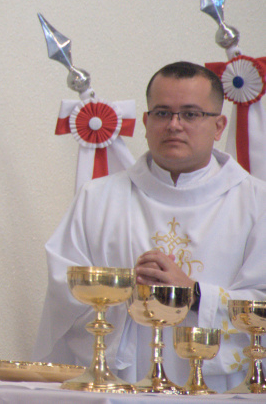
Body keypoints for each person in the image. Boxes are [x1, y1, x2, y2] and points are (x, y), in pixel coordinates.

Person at [33, 61, 266, 392]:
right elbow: (63, 295)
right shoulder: (98, 198)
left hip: (222, 390)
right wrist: (124, 288)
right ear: (145, 122)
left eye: (190, 114)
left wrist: (196, 295)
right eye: (161, 113)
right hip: (120, 386)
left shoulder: (257, 204)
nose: (174, 125)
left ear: (218, 125)